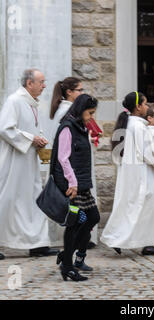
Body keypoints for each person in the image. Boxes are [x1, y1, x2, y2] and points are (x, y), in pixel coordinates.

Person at [100, 92, 154, 255]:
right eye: (145, 104)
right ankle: (126, 239)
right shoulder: (139, 127)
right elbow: (148, 153)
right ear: (138, 107)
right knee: (143, 206)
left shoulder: (132, 124)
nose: (147, 107)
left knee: (133, 207)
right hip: (143, 174)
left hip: (133, 172)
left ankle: (132, 240)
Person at [0, 68, 59, 258]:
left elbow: (29, 128)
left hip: (28, 161)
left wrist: (38, 140)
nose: (44, 85)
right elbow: (5, 129)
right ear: (29, 83)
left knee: (33, 199)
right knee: (8, 200)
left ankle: (37, 243)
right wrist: (31, 138)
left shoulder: (31, 104)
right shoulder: (14, 101)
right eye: (41, 82)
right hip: (14, 161)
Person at [51, 94, 100, 281]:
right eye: (90, 113)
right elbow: (63, 158)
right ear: (80, 111)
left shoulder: (80, 127)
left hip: (82, 184)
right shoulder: (67, 128)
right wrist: (72, 182)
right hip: (72, 186)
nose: (91, 117)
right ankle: (68, 267)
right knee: (73, 224)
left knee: (92, 217)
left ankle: (66, 255)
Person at [48, 78, 99, 248]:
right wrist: (73, 180)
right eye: (79, 90)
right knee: (74, 219)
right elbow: (64, 154)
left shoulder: (77, 118)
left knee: (88, 216)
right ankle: (69, 258)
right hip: (73, 177)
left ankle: (75, 251)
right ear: (69, 92)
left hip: (79, 173)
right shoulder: (68, 117)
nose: (82, 93)